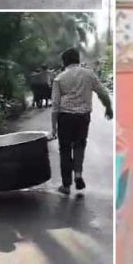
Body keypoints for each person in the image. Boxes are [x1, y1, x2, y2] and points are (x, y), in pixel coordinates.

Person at [51, 47, 113, 195]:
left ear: (64, 62)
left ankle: (66, 186)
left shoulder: (59, 78)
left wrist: (54, 128)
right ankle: (78, 174)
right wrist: (108, 107)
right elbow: (103, 92)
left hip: (65, 117)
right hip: (83, 117)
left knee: (65, 150)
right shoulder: (89, 74)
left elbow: (55, 105)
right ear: (78, 59)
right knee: (79, 145)